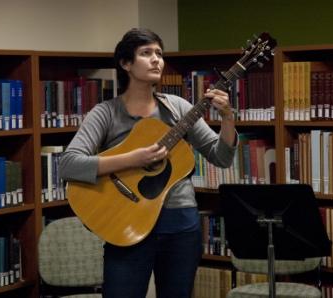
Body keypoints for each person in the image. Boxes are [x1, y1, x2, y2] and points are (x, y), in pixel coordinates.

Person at [59, 28, 237, 298]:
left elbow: (221, 157)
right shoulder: (106, 113)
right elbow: (69, 164)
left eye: (159, 54)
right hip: (125, 220)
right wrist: (133, 159)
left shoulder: (177, 107)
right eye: (146, 53)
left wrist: (227, 118)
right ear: (125, 63)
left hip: (180, 223)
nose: (157, 60)